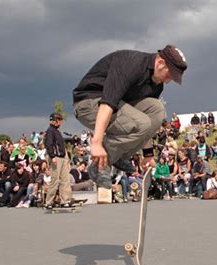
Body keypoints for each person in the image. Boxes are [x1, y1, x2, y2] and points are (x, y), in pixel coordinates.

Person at [73, 44, 188, 188]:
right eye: (169, 75)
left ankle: (121, 156)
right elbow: (108, 103)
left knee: (158, 110)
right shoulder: (130, 64)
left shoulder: (156, 84)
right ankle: (99, 166)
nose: (168, 81)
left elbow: (147, 118)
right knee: (141, 123)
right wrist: (96, 144)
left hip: (118, 106)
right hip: (89, 102)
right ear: (160, 63)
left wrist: (148, 155)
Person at [44, 113, 72, 209]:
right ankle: (49, 202)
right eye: (60, 120)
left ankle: (65, 200)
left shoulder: (57, 131)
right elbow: (49, 144)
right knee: (55, 180)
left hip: (63, 157)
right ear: (55, 120)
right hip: (56, 158)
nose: (61, 122)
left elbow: (61, 146)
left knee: (65, 180)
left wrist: (66, 159)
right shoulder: (50, 131)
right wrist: (52, 156)